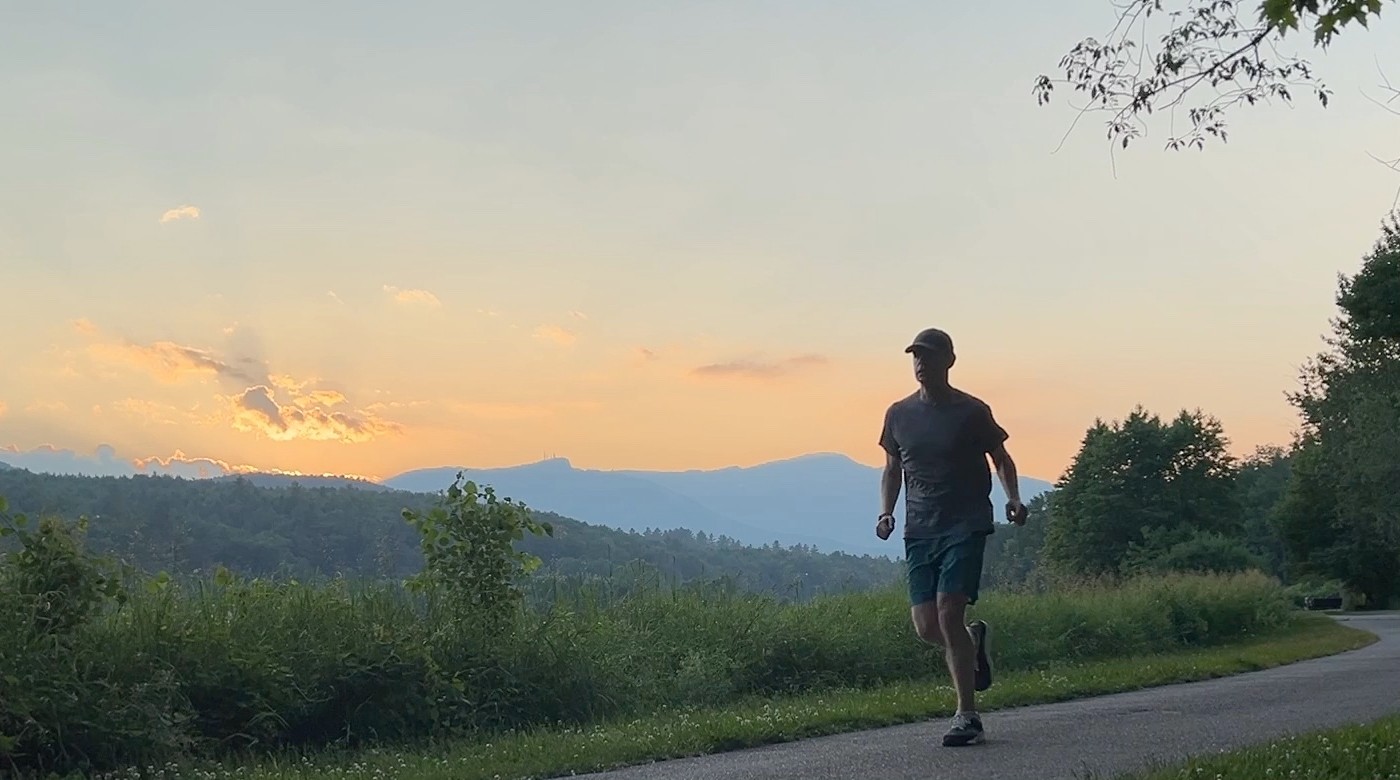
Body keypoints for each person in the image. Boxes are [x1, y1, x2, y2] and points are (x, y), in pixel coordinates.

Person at [875, 327, 1028, 747]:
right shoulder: (898, 414)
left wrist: (1013, 498)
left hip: (965, 522)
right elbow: (892, 468)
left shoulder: (972, 411)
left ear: (950, 361)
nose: (920, 363)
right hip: (919, 527)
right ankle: (973, 640)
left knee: (947, 613)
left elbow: (1001, 457)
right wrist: (886, 511)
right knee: (927, 626)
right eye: (915, 356)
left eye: (929, 355)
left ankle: (967, 715)